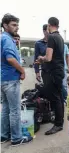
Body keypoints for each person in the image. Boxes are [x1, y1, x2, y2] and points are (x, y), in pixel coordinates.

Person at [1, 13, 33, 146]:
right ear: (5, 25)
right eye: (13, 25)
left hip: (3, 79)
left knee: (6, 109)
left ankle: (3, 136)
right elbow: (10, 58)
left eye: (17, 25)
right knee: (14, 110)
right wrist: (22, 70)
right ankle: (16, 138)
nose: (16, 27)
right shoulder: (7, 39)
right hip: (10, 79)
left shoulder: (3, 38)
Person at [36, 17, 65, 135]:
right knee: (59, 97)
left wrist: (40, 58)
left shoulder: (52, 37)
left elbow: (48, 58)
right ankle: (60, 121)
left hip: (52, 72)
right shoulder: (60, 37)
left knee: (55, 98)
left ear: (49, 25)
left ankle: (58, 124)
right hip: (58, 71)